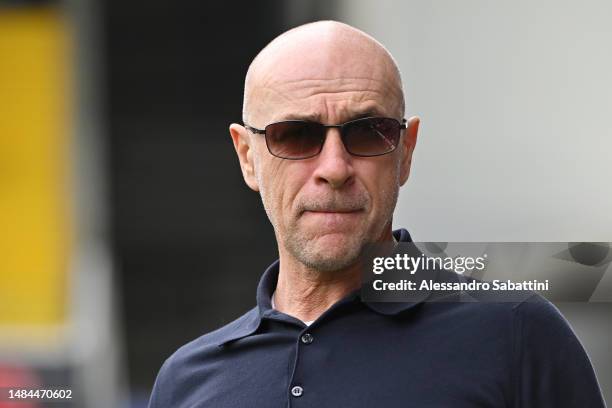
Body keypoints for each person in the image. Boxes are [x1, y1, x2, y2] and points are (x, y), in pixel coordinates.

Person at [148, 21, 605, 407]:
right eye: (296, 135)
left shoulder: (518, 335)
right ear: (248, 157)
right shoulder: (186, 381)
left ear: (406, 151)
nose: (333, 168)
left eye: (368, 132)